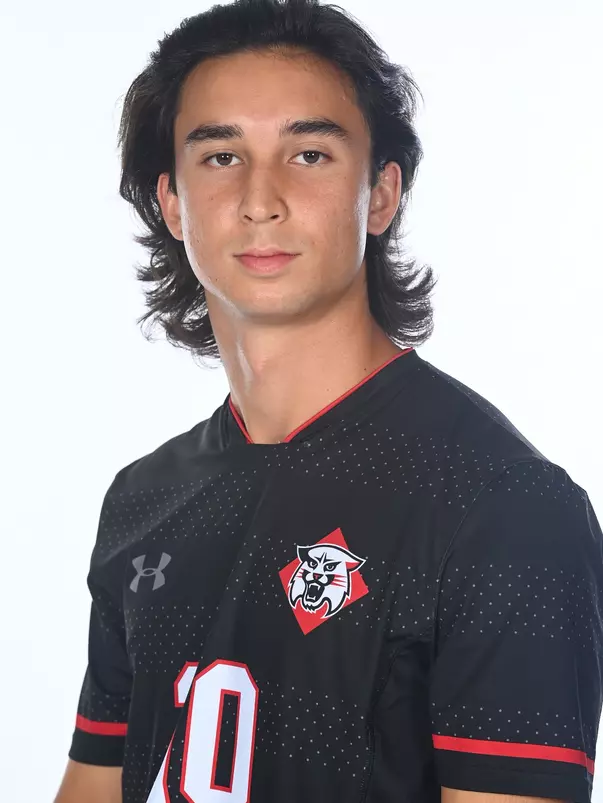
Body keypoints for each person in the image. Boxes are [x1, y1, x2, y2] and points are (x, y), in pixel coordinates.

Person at [53, 0, 603, 801]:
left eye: (308, 154)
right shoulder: (144, 498)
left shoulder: (502, 505)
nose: (260, 198)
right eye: (219, 157)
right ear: (171, 204)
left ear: (380, 195)